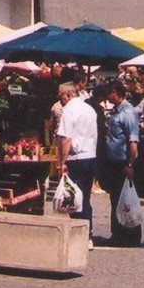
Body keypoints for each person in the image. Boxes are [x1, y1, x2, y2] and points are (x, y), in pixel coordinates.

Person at [97, 80, 142, 246]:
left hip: (123, 162)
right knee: (116, 199)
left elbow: (133, 141)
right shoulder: (116, 111)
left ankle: (130, 236)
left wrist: (130, 164)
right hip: (113, 162)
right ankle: (117, 233)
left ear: (114, 93)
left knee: (126, 200)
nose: (108, 98)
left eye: (109, 94)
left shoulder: (128, 112)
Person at [56, 82, 99, 227]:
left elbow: (66, 138)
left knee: (73, 197)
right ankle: (88, 232)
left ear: (68, 95)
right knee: (85, 197)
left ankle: (78, 231)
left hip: (76, 158)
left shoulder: (68, 110)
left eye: (60, 95)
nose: (59, 99)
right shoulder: (90, 109)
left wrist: (62, 162)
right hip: (90, 155)